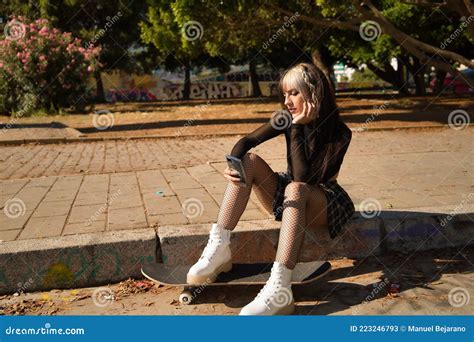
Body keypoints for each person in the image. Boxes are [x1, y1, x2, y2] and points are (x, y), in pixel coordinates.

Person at [186, 62, 355, 315]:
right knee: (249, 162)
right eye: (284, 94)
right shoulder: (285, 118)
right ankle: (219, 248)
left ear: (314, 92)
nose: (287, 101)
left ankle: (280, 288)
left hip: (324, 201)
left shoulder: (340, 133)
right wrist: (233, 166)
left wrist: (297, 127)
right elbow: (247, 141)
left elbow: (304, 179)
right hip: (291, 196)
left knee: (296, 189)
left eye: (294, 93)